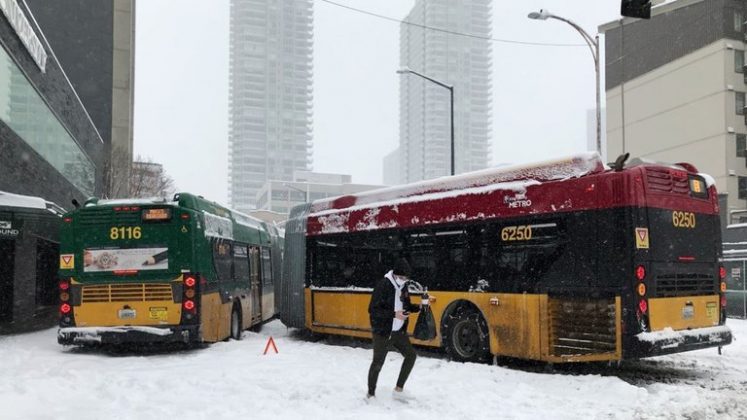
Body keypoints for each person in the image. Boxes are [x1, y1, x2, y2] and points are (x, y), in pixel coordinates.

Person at [367, 258, 420, 399]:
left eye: (406, 278)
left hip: (398, 331)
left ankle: (398, 389)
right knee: (378, 363)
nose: (404, 280)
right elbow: (373, 310)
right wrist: (393, 314)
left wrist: (418, 307)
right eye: (402, 278)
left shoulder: (403, 287)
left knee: (411, 356)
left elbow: (406, 305)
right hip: (383, 332)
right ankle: (371, 394)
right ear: (395, 275)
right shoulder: (383, 285)